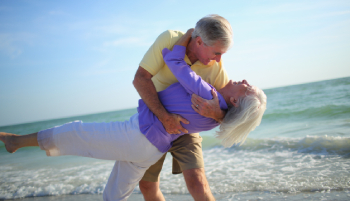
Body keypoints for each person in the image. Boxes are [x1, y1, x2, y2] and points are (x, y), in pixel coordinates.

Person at [0, 41, 267, 201]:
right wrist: (219, 114)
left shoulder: (207, 94)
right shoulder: (215, 117)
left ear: (235, 102)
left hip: (138, 135)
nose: (244, 81)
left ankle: (15, 141)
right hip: (149, 148)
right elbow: (224, 119)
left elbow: (174, 60)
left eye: (247, 88)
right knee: (116, 193)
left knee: (76, 133)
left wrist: (187, 36)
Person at [133, 14, 232, 200]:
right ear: (200, 42)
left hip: (185, 128)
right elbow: (140, 79)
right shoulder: (169, 39)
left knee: (198, 183)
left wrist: (217, 113)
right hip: (155, 121)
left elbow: (231, 110)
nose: (218, 60)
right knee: (147, 186)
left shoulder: (216, 68)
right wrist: (164, 117)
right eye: (216, 53)